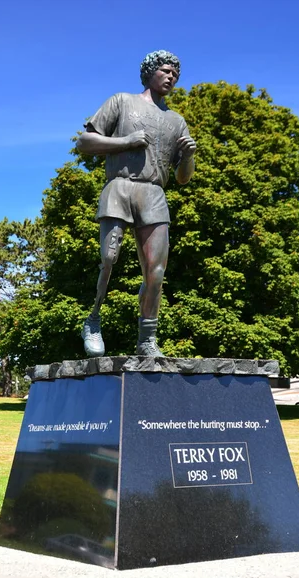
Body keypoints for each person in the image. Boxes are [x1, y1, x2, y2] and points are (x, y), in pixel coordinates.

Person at [76, 50, 196, 358]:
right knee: (108, 259)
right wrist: (126, 142)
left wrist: (189, 156)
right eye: (166, 71)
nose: (171, 77)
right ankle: (92, 321)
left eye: (175, 75)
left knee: (156, 270)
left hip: (154, 193)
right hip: (120, 186)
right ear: (150, 72)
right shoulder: (121, 101)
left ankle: (147, 340)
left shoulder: (176, 121)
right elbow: (85, 142)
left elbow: (183, 179)